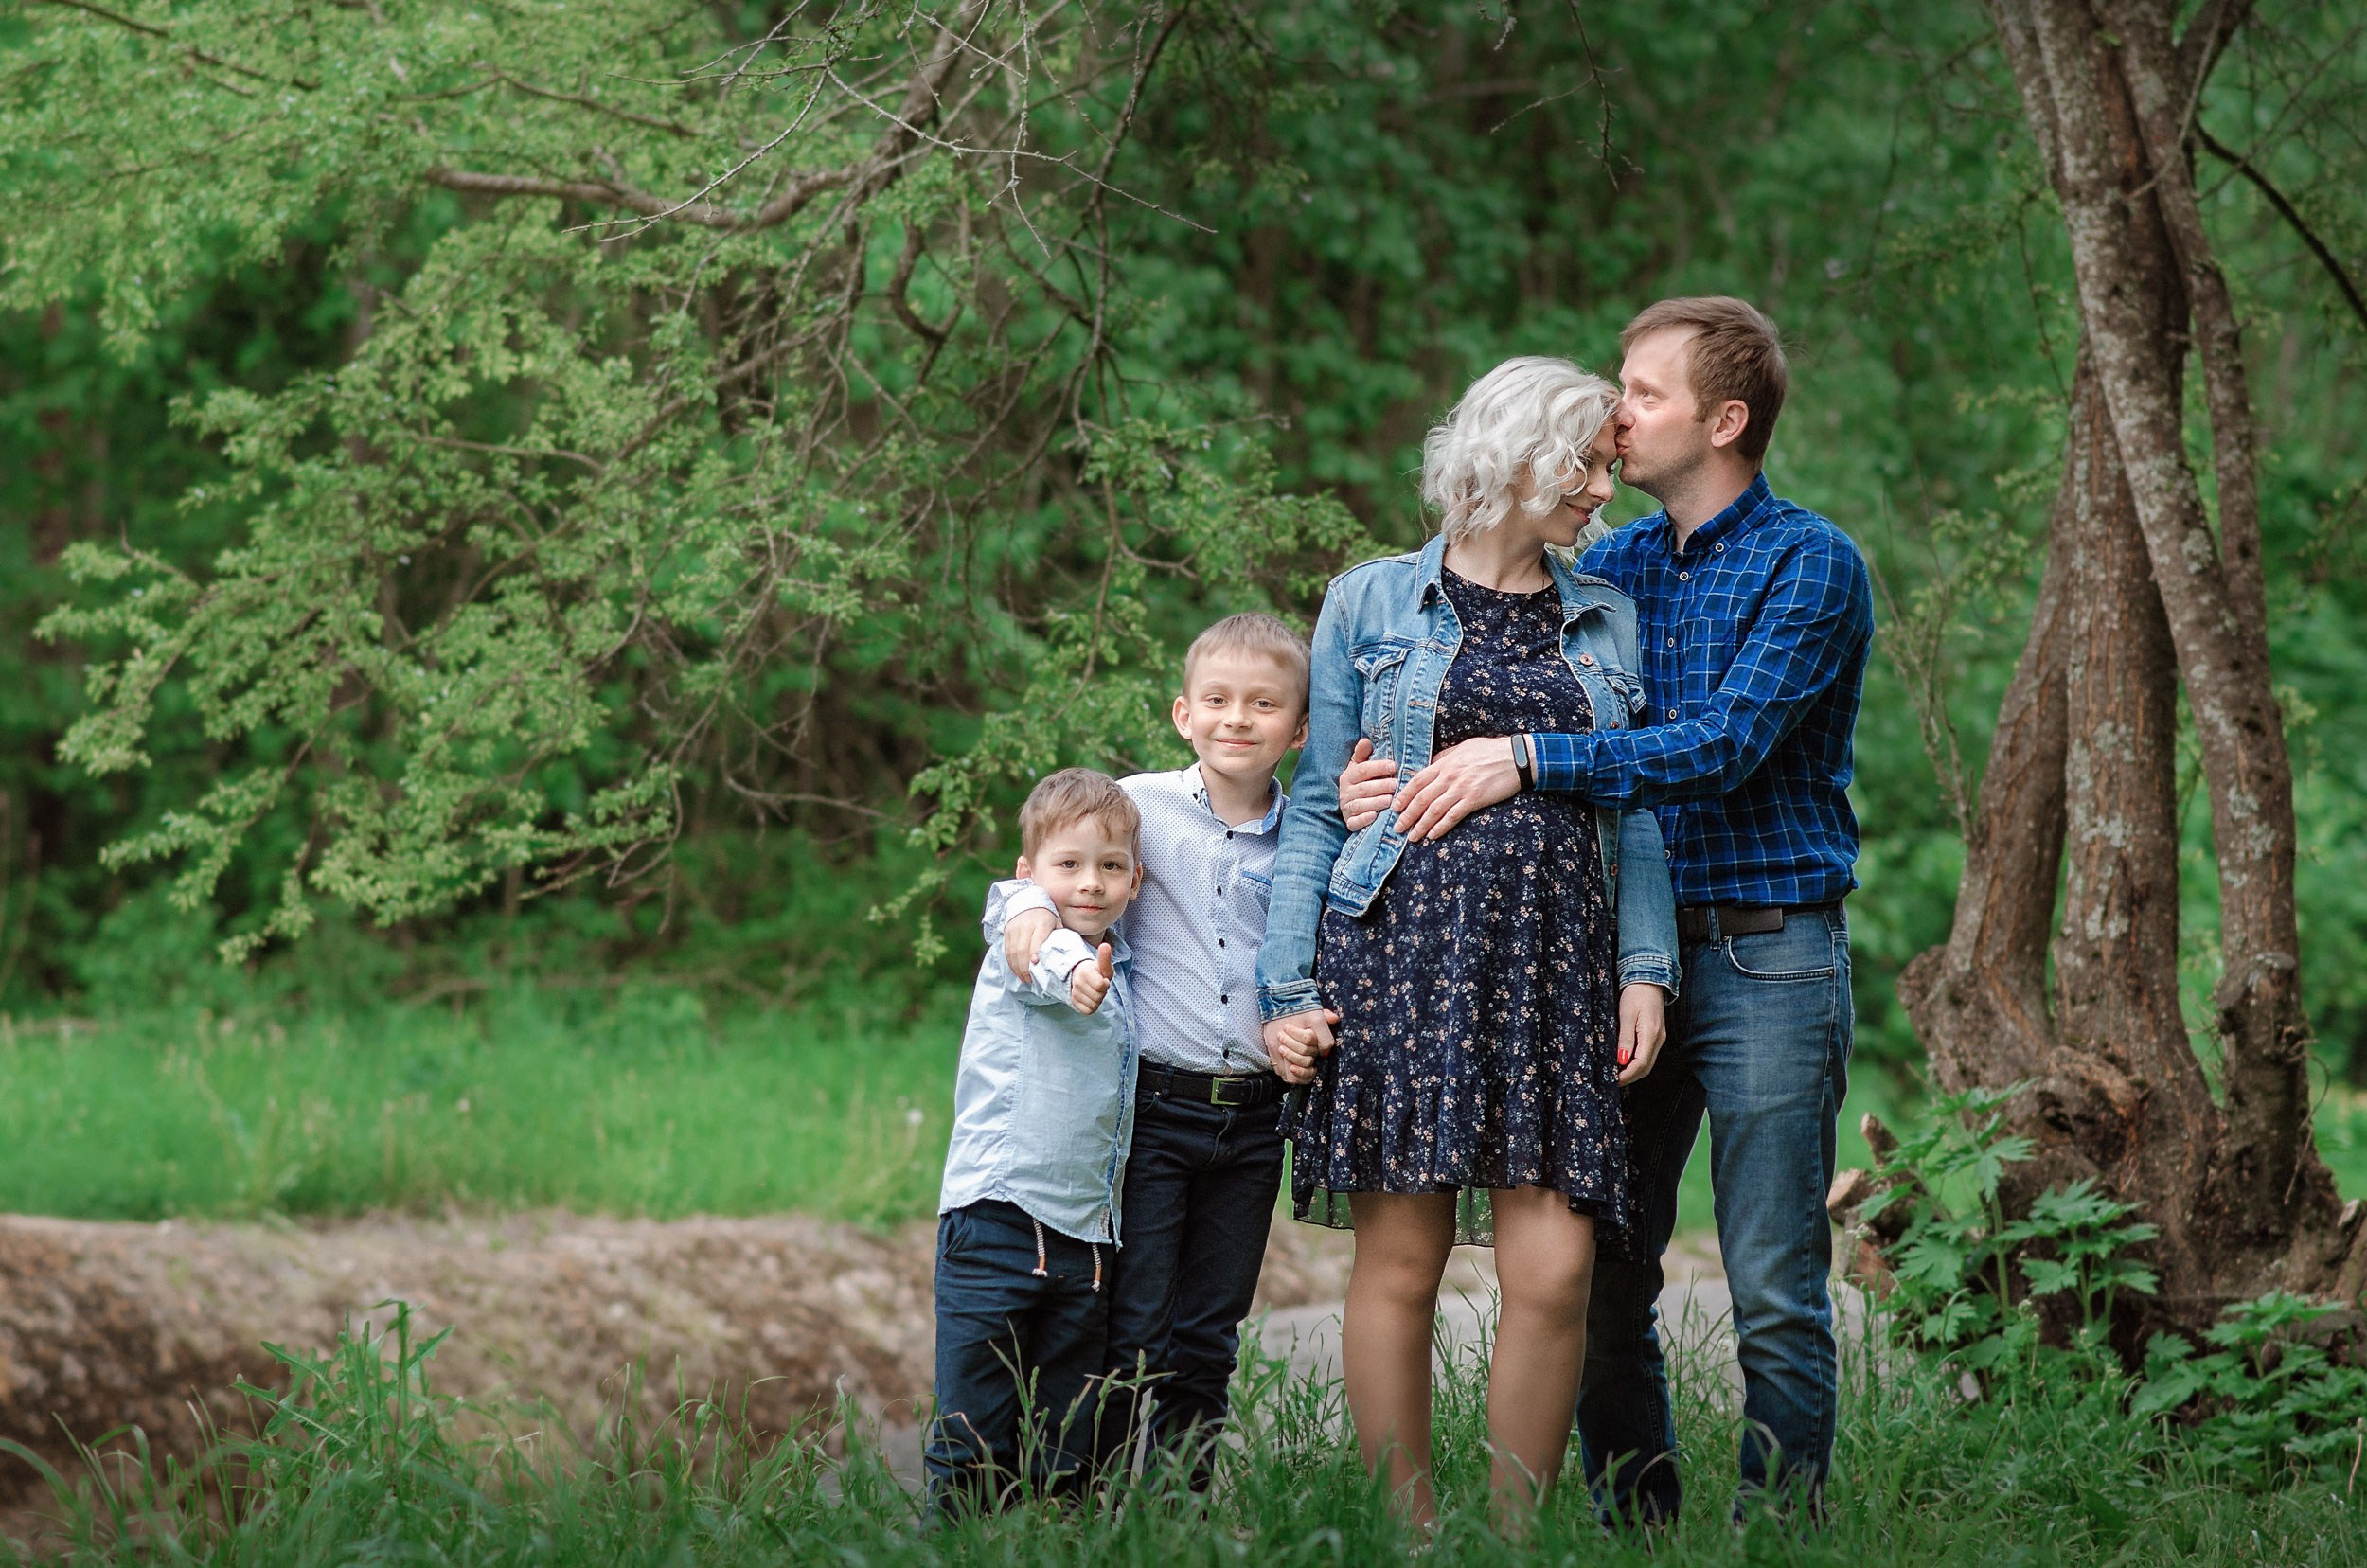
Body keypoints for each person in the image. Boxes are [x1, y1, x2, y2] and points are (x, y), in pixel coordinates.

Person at [1335, 297, 1874, 1521]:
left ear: (1722, 420)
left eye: (1642, 392)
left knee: (1772, 1281)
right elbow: (1453, 653)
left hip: (1764, 951)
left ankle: (1777, 1536)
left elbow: (1726, 744)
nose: (1617, 414)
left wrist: (1528, 761)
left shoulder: (1809, 562)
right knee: (1602, 1270)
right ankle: (1635, 1522)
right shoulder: (1608, 568)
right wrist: (1371, 779)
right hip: (1605, 961)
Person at [1255, 357, 1682, 1534]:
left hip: (1556, 970)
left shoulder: (1606, 614)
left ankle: (1513, 1539)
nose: (1602, 489)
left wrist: (1644, 972)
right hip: (1398, 960)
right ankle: (1406, 1534)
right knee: (1401, 1265)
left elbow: (1636, 804)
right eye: (1587, 466)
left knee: (1554, 1271)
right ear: (1520, 459)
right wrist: (1284, 988)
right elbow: (1314, 808)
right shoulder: (1370, 603)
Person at [997, 614, 1310, 1487]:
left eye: (1263, 704)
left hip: (1256, 1122)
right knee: (1132, 1324)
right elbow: (1053, 866)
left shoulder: (1307, 838)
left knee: (1208, 1334)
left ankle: (1178, 1509)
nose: (1236, 719)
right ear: (1183, 713)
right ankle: (1087, 1501)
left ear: (1300, 729)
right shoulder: (1137, 808)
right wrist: (1026, 908)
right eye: (1217, 700)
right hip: (1156, 1110)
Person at [927, 768, 1144, 1514]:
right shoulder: (1028, 947)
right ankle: (954, 1548)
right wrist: (1075, 969)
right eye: (1068, 864)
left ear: (1135, 880)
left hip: (1087, 1245)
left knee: (1066, 1445)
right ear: (1030, 874)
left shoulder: (1126, 965)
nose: (1089, 883)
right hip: (1000, 1225)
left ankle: (1050, 1545)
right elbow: (1040, 955)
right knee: (972, 1436)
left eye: (1109, 866)